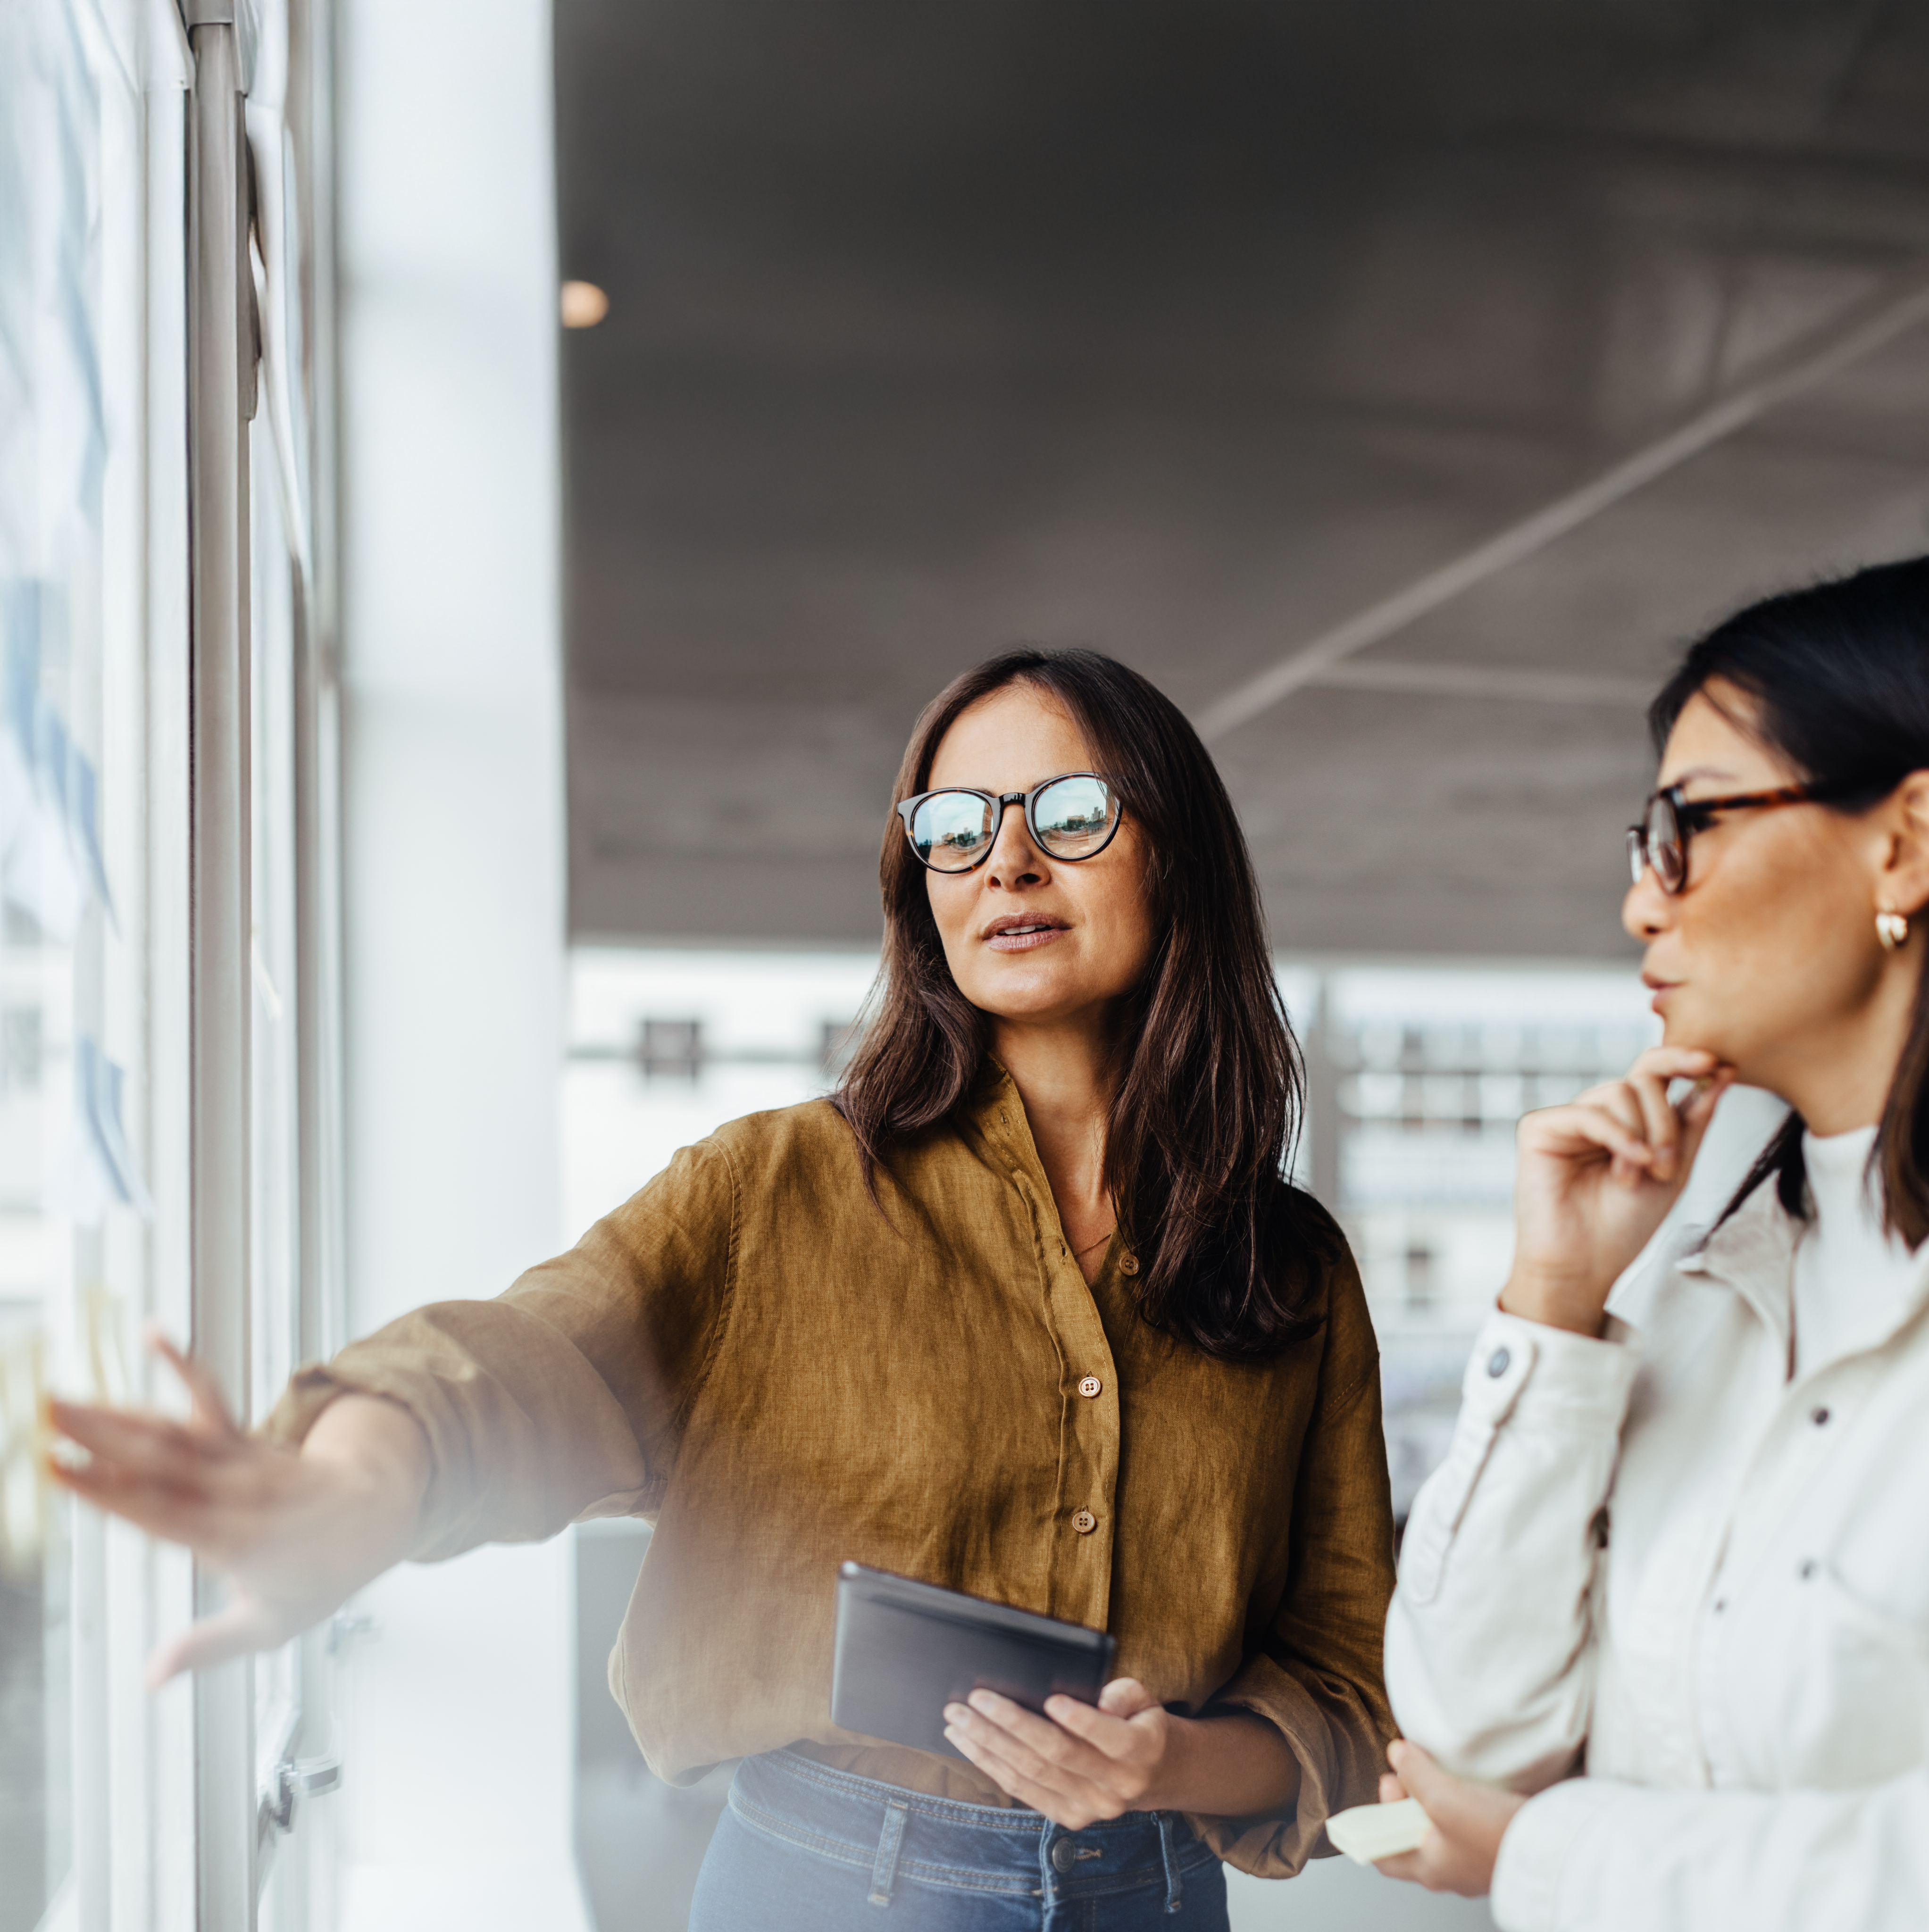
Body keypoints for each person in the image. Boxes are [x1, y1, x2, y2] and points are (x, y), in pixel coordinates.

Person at [53, 648, 1396, 1929]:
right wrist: (352, 1485)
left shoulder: (1293, 1269)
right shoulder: (782, 1189)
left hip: (1160, 1899)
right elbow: (538, 1357)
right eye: (956, 824)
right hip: (836, 1892)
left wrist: (1169, 1771)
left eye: (1071, 810)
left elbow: (1345, 1681)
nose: (1008, 859)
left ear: (1177, 850)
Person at [1370, 556, 1929, 1932]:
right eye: (1644, 844)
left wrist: (1545, 1863)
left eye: (1692, 824)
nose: (1644, 903)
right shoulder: (1698, 1277)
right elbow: (1464, 1746)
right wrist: (1554, 1300)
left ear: (1906, 841)